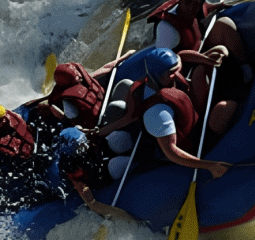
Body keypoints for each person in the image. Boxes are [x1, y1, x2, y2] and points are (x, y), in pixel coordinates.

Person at [98, 48, 235, 179]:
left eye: (176, 70)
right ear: (155, 75)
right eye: (171, 72)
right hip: (192, 141)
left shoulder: (161, 75)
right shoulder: (156, 113)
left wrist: (205, 59)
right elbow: (171, 152)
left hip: (189, 115)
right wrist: (210, 166)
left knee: (200, 68)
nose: (176, 74)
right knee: (225, 108)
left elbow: (181, 57)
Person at [148, 0, 253, 83]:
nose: (191, 7)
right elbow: (164, 64)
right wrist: (204, 59)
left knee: (224, 23)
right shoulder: (167, 28)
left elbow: (206, 6)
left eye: (196, 4)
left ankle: (246, 68)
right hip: (184, 70)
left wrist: (219, 5)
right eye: (187, 2)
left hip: (200, 49)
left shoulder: (196, 5)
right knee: (201, 69)